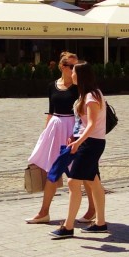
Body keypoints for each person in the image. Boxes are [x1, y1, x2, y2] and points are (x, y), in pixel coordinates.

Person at [26, 51, 94, 225]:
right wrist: (45, 133)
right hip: (55, 128)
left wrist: (77, 134)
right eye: (72, 66)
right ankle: (44, 212)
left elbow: (84, 113)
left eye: (76, 66)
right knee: (52, 170)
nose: (75, 69)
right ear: (62, 67)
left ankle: (92, 209)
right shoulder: (52, 86)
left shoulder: (80, 87)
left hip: (73, 129)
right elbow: (50, 111)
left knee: (82, 171)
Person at [50, 62, 108, 239]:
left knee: (73, 183)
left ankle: (68, 227)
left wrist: (78, 142)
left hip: (90, 144)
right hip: (89, 142)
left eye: (73, 72)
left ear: (81, 75)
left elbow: (91, 125)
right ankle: (100, 223)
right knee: (94, 182)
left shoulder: (91, 96)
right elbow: (83, 124)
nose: (71, 75)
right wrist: (75, 137)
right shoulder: (89, 94)